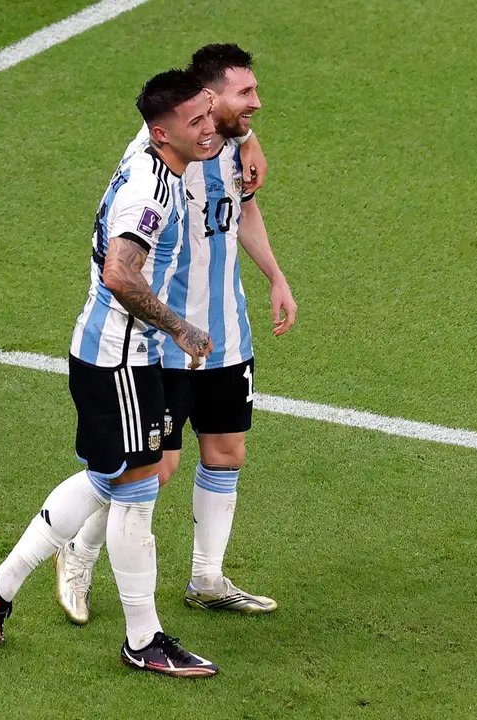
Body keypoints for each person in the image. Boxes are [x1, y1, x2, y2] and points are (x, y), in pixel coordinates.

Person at [0, 69, 221, 678]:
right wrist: (180, 327)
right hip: (119, 360)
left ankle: (0, 586)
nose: (208, 130)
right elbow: (120, 274)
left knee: (110, 480)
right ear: (162, 133)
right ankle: (143, 639)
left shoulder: (153, 156)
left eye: (209, 116)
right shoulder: (150, 196)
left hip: (124, 356)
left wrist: (214, 103)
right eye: (196, 122)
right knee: (135, 495)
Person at [55, 44, 297, 626]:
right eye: (246, 95)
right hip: (169, 339)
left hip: (227, 331)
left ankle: (207, 578)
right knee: (151, 466)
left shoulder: (231, 138)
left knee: (226, 451)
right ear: (208, 100)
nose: (256, 105)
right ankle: (77, 551)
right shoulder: (163, 149)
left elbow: (244, 207)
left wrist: (275, 276)